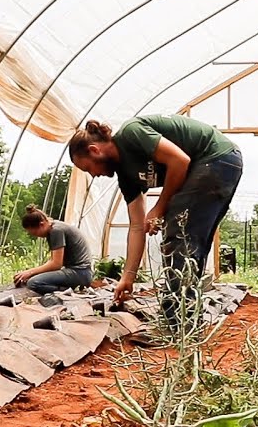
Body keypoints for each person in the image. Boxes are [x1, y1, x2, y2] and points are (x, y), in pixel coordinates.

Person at [68, 116, 242, 327]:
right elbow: (136, 226)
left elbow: (180, 160)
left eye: (89, 169)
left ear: (94, 150)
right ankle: (185, 317)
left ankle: (177, 322)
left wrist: (159, 207)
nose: (94, 175)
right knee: (190, 239)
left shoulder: (131, 133)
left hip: (215, 156)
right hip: (217, 164)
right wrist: (128, 278)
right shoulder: (126, 177)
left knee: (179, 229)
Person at [12, 204, 94, 294]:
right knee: (32, 279)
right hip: (80, 272)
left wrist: (30, 272)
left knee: (33, 283)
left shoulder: (56, 231)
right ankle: (67, 288)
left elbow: (56, 264)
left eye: (35, 232)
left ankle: (68, 291)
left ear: (41, 224)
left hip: (80, 273)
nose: (36, 236)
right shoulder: (54, 227)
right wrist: (32, 273)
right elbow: (53, 261)